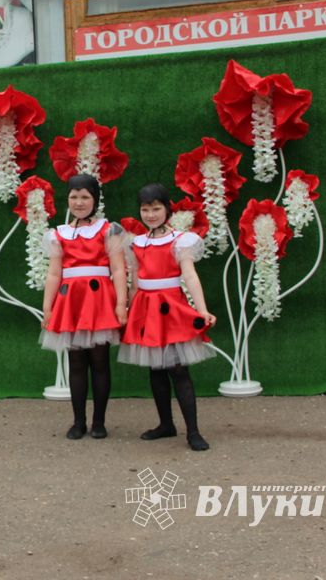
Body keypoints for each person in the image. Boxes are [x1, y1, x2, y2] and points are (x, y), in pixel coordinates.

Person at [118, 184, 215, 452]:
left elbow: (190, 276)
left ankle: (193, 432)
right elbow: (134, 281)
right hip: (145, 309)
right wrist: (128, 309)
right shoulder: (137, 243)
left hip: (172, 308)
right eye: (145, 209)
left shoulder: (180, 240)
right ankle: (165, 424)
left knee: (179, 369)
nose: (150, 215)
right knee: (156, 368)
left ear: (167, 209)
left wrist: (202, 309)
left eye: (156, 208)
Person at [40, 174, 127, 440]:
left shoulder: (109, 230)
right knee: (76, 362)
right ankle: (78, 422)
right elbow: (54, 274)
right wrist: (48, 308)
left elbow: (118, 269)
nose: (79, 202)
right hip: (71, 302)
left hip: (99, 300)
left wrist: (121, 303)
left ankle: (99, 422)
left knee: (100, 361)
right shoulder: (59, 234)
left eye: (85, 197)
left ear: (95, 200)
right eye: (74, 197)